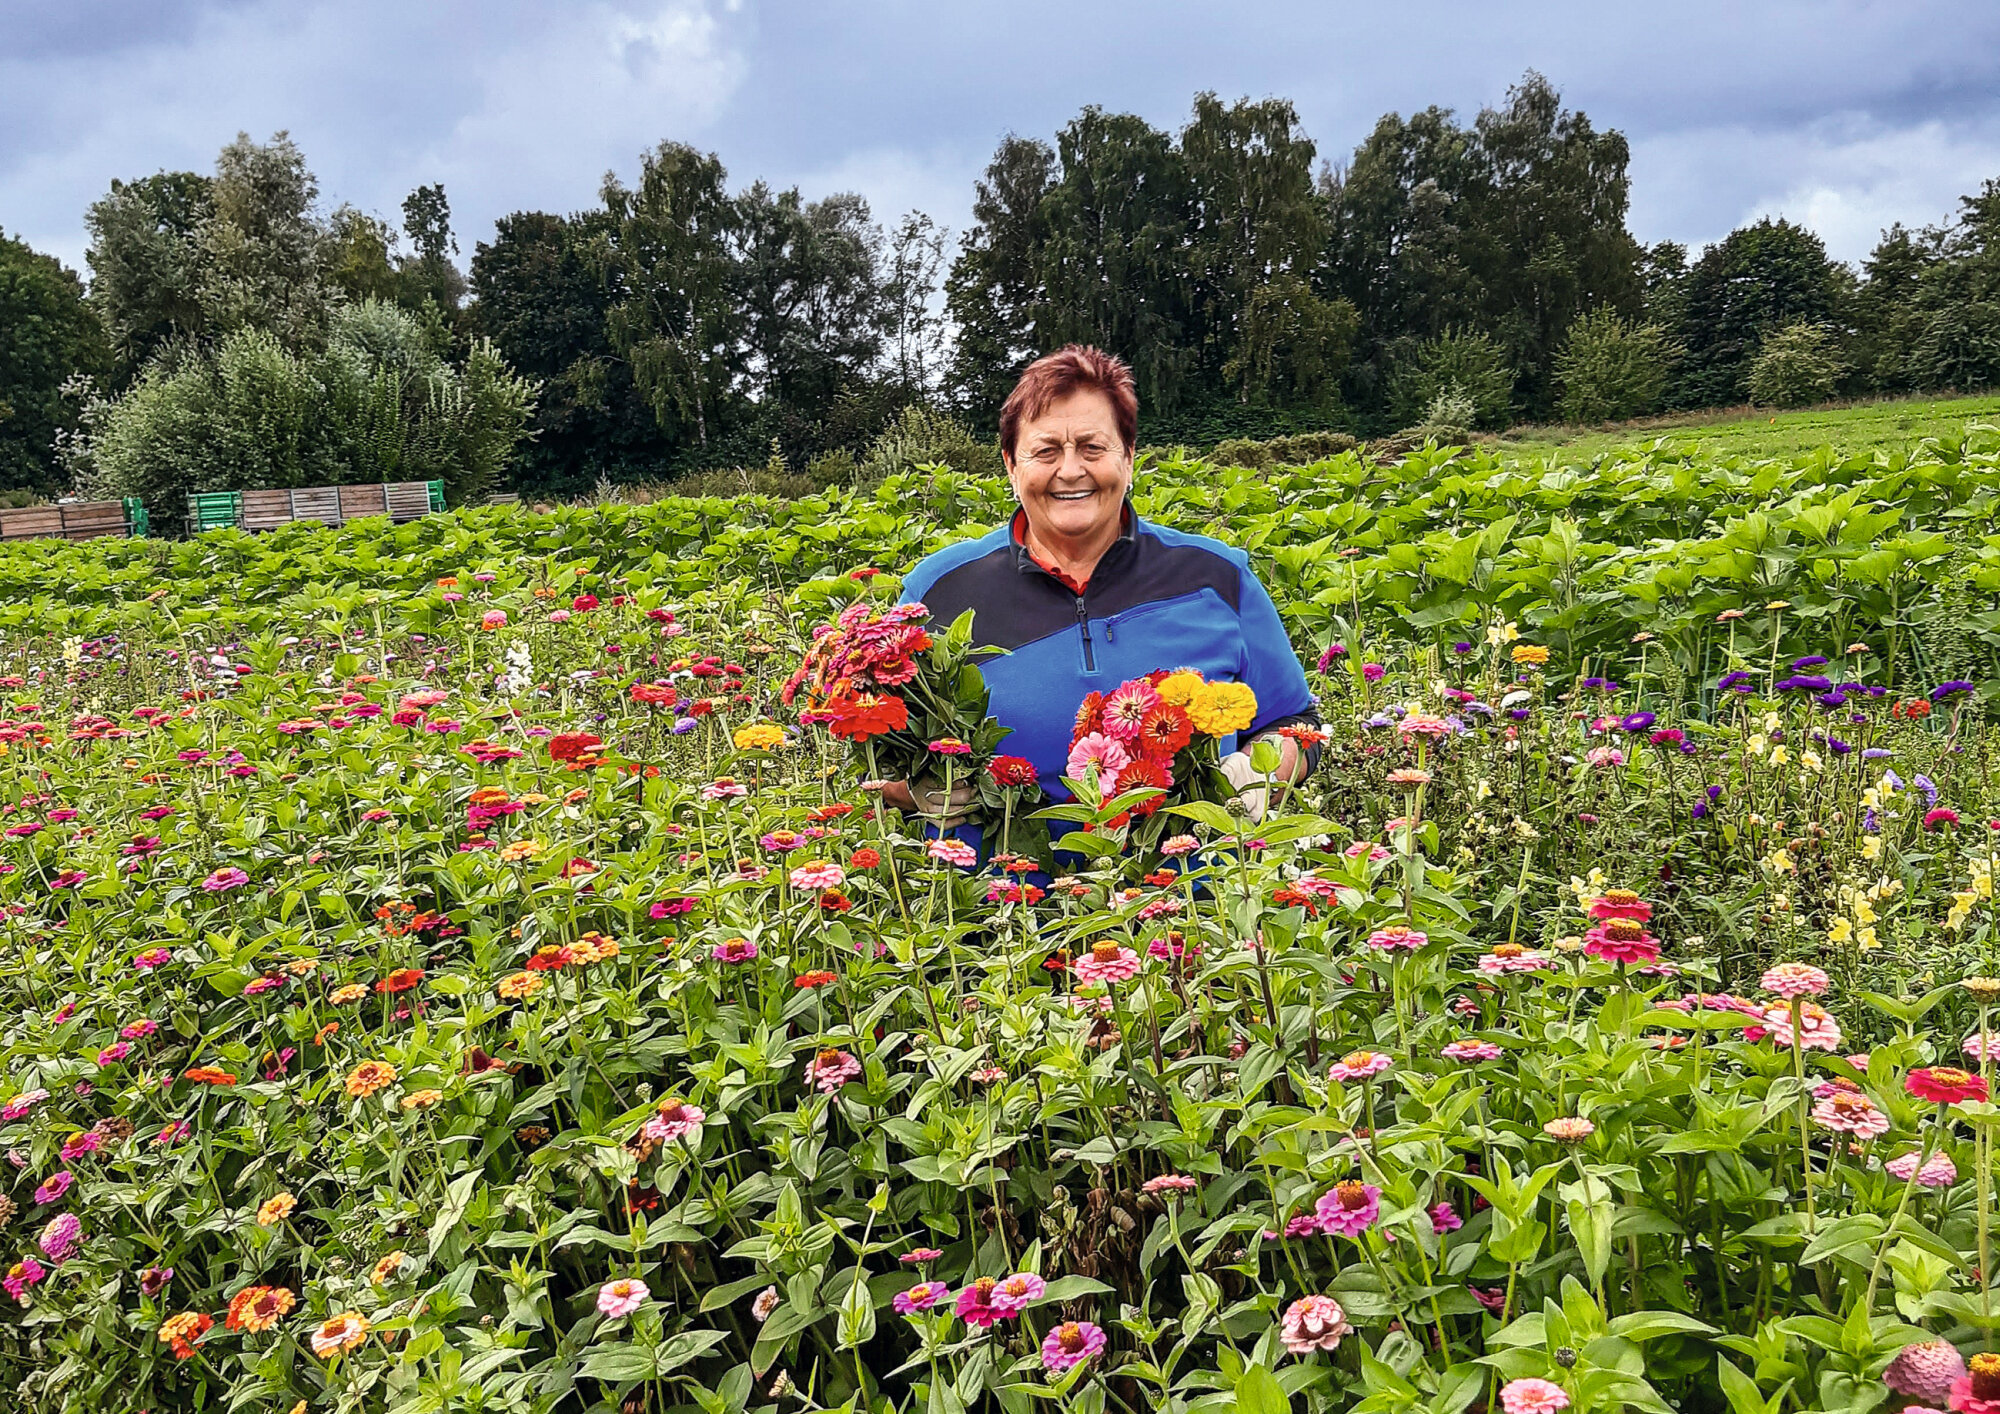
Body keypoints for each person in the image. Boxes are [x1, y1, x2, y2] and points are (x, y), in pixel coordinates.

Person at [869, 344, 1321, 842]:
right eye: (1045, 451)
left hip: (1188, 906)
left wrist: (1258, 774)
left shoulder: (1216, 576)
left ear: (1128, 457)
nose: (1070, 470)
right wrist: (910, 790)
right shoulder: (939, 589)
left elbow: (1297, 724)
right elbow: (878, 747)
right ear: (1010, 465)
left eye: (1092, 447)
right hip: (996, 907)